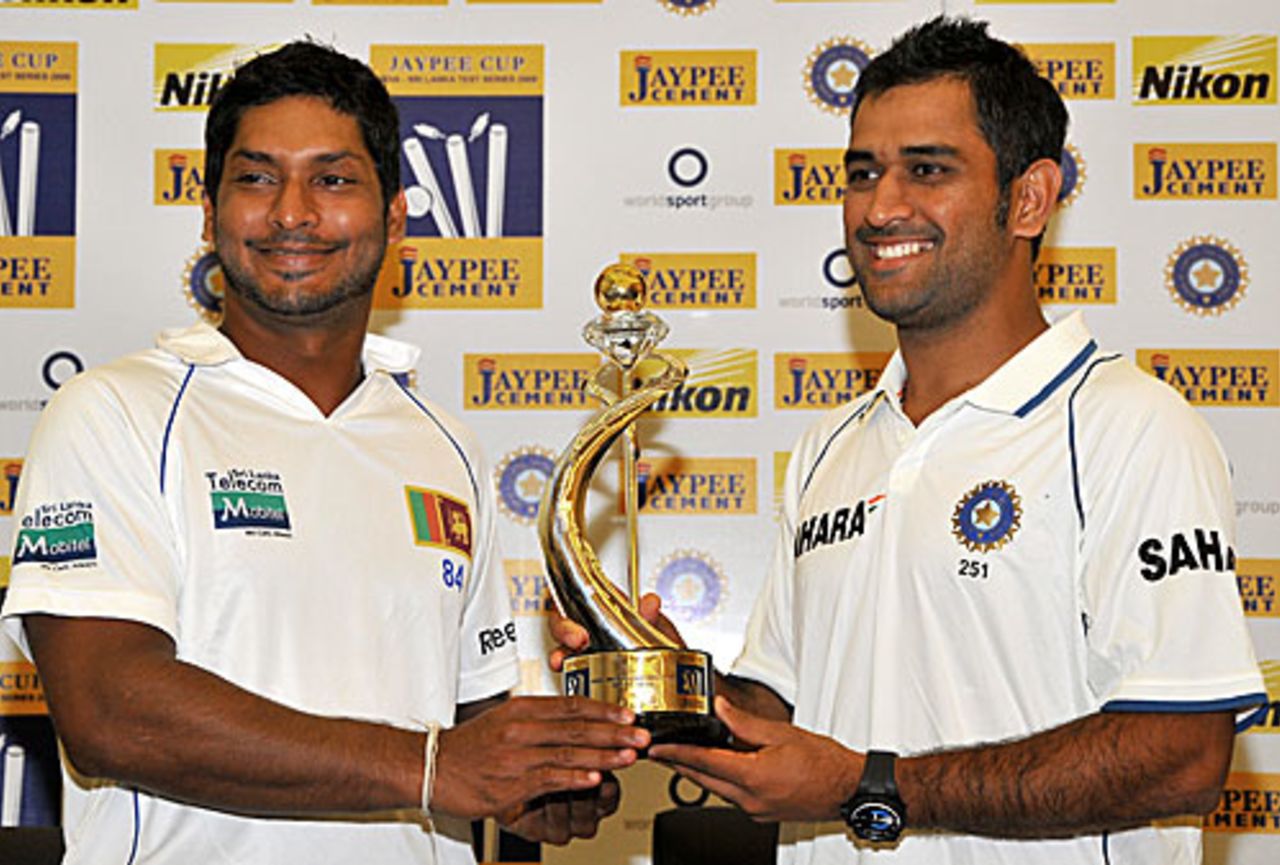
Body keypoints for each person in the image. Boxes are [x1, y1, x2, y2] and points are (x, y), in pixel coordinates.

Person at [553, 16, 1265, 863]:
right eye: (863, 173)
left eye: (928, 169)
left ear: (1029, 198)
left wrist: (869, 783)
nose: (881, 207)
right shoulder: (832, 445)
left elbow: (1180, 756)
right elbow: (776, 714)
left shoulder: (1130, 425)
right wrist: (655, 683)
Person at [1, 41, 646, 865]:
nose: (292, 213)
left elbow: (472, 727)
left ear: (397, 217)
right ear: (209, 213)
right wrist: (432, 768)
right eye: (257, 177)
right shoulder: (115, 412)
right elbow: (109, 712)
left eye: (333, 179)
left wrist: (556, 765)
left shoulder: (445, 444)